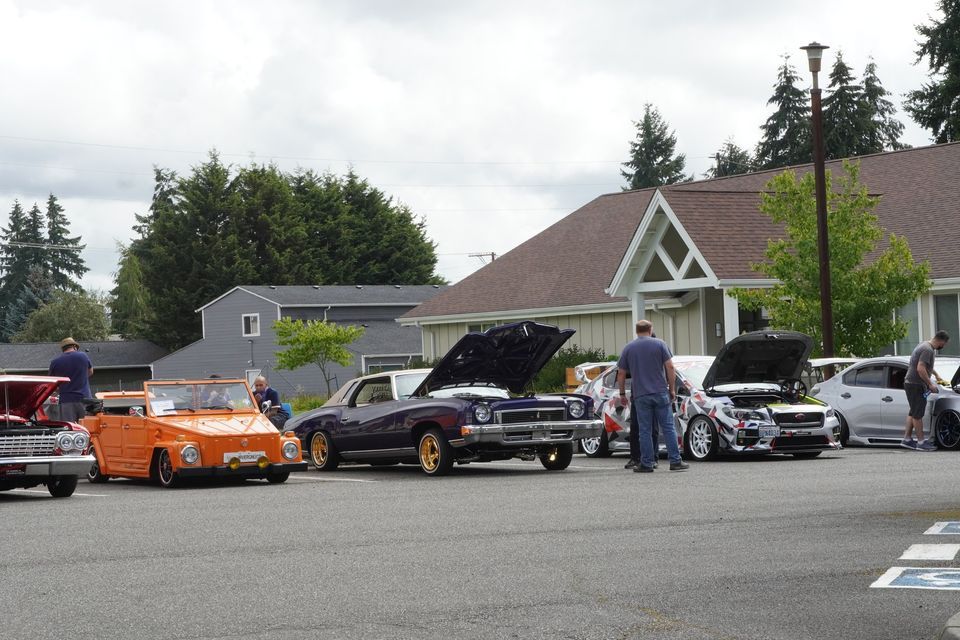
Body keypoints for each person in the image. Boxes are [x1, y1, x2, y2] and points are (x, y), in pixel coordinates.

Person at [616, 320, 689, 473]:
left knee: (644, 430)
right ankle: (675, 461)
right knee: (668, 428)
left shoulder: (629, 348)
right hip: (660, 392)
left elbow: (621, 373)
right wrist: (672, 388)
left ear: (637, 331)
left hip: (641, 395)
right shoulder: (660, 344)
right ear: (650, 330)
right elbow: (670, 366)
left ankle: (647, 463)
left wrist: (622, 393)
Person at [902, 330, 950, 451]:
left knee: (913, 412)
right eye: (944, 344)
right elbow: (920, 368)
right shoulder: (927, 350)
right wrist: (930, 384)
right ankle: (921, 443)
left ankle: (907, 439)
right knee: (918, 414)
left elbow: (926, 366)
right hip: (916, 384)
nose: (943, 347)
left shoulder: (924, 345)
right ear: (941, 341)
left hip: (911, 383)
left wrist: (936, 375)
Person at [48, 337, 94, 423]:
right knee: (87, 429)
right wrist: (80, 378)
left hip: (66, 401)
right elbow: (90, 372)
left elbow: (51, 383)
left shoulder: (55, 362)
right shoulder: (83, 356)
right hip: (84, 399)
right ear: (74, 346)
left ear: (63, 349)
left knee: (69, 430)